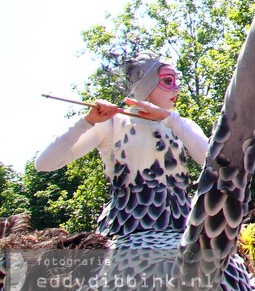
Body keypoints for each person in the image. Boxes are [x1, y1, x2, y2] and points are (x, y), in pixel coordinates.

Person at [34, 53, 208, 237]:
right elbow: (44, 164)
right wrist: (86, 121)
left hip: (182, 231)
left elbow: (215, 163)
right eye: (167, 80)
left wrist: (171, 121)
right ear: (145, 83)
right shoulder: (111, 123)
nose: (176, 88)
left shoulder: (181, 124)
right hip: (124, 231)